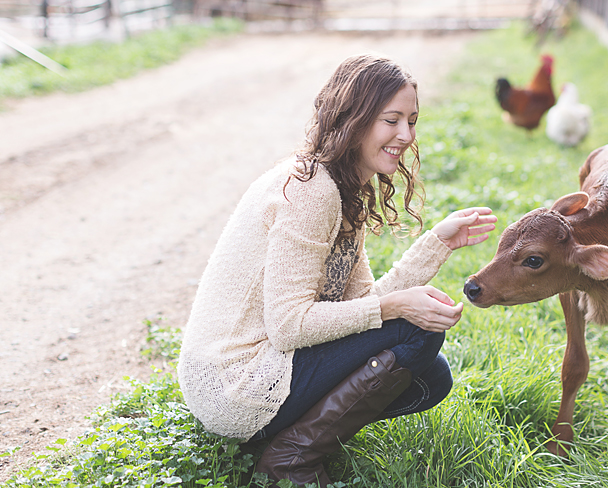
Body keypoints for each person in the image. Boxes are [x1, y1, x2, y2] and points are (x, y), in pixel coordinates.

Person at [177, 53, 497, 487]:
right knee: (417, 331)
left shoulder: (342, 187)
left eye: (412, 120)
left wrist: (437, 242)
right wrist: (396, 307)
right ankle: (289, 460)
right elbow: (290, 325)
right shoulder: (312, 191)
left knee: (431, 376)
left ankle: (292, 438)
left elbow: (361, 306)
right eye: (391, 120)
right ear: (355, 119)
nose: (406, 134)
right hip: (234, 384)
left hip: (266, 364)